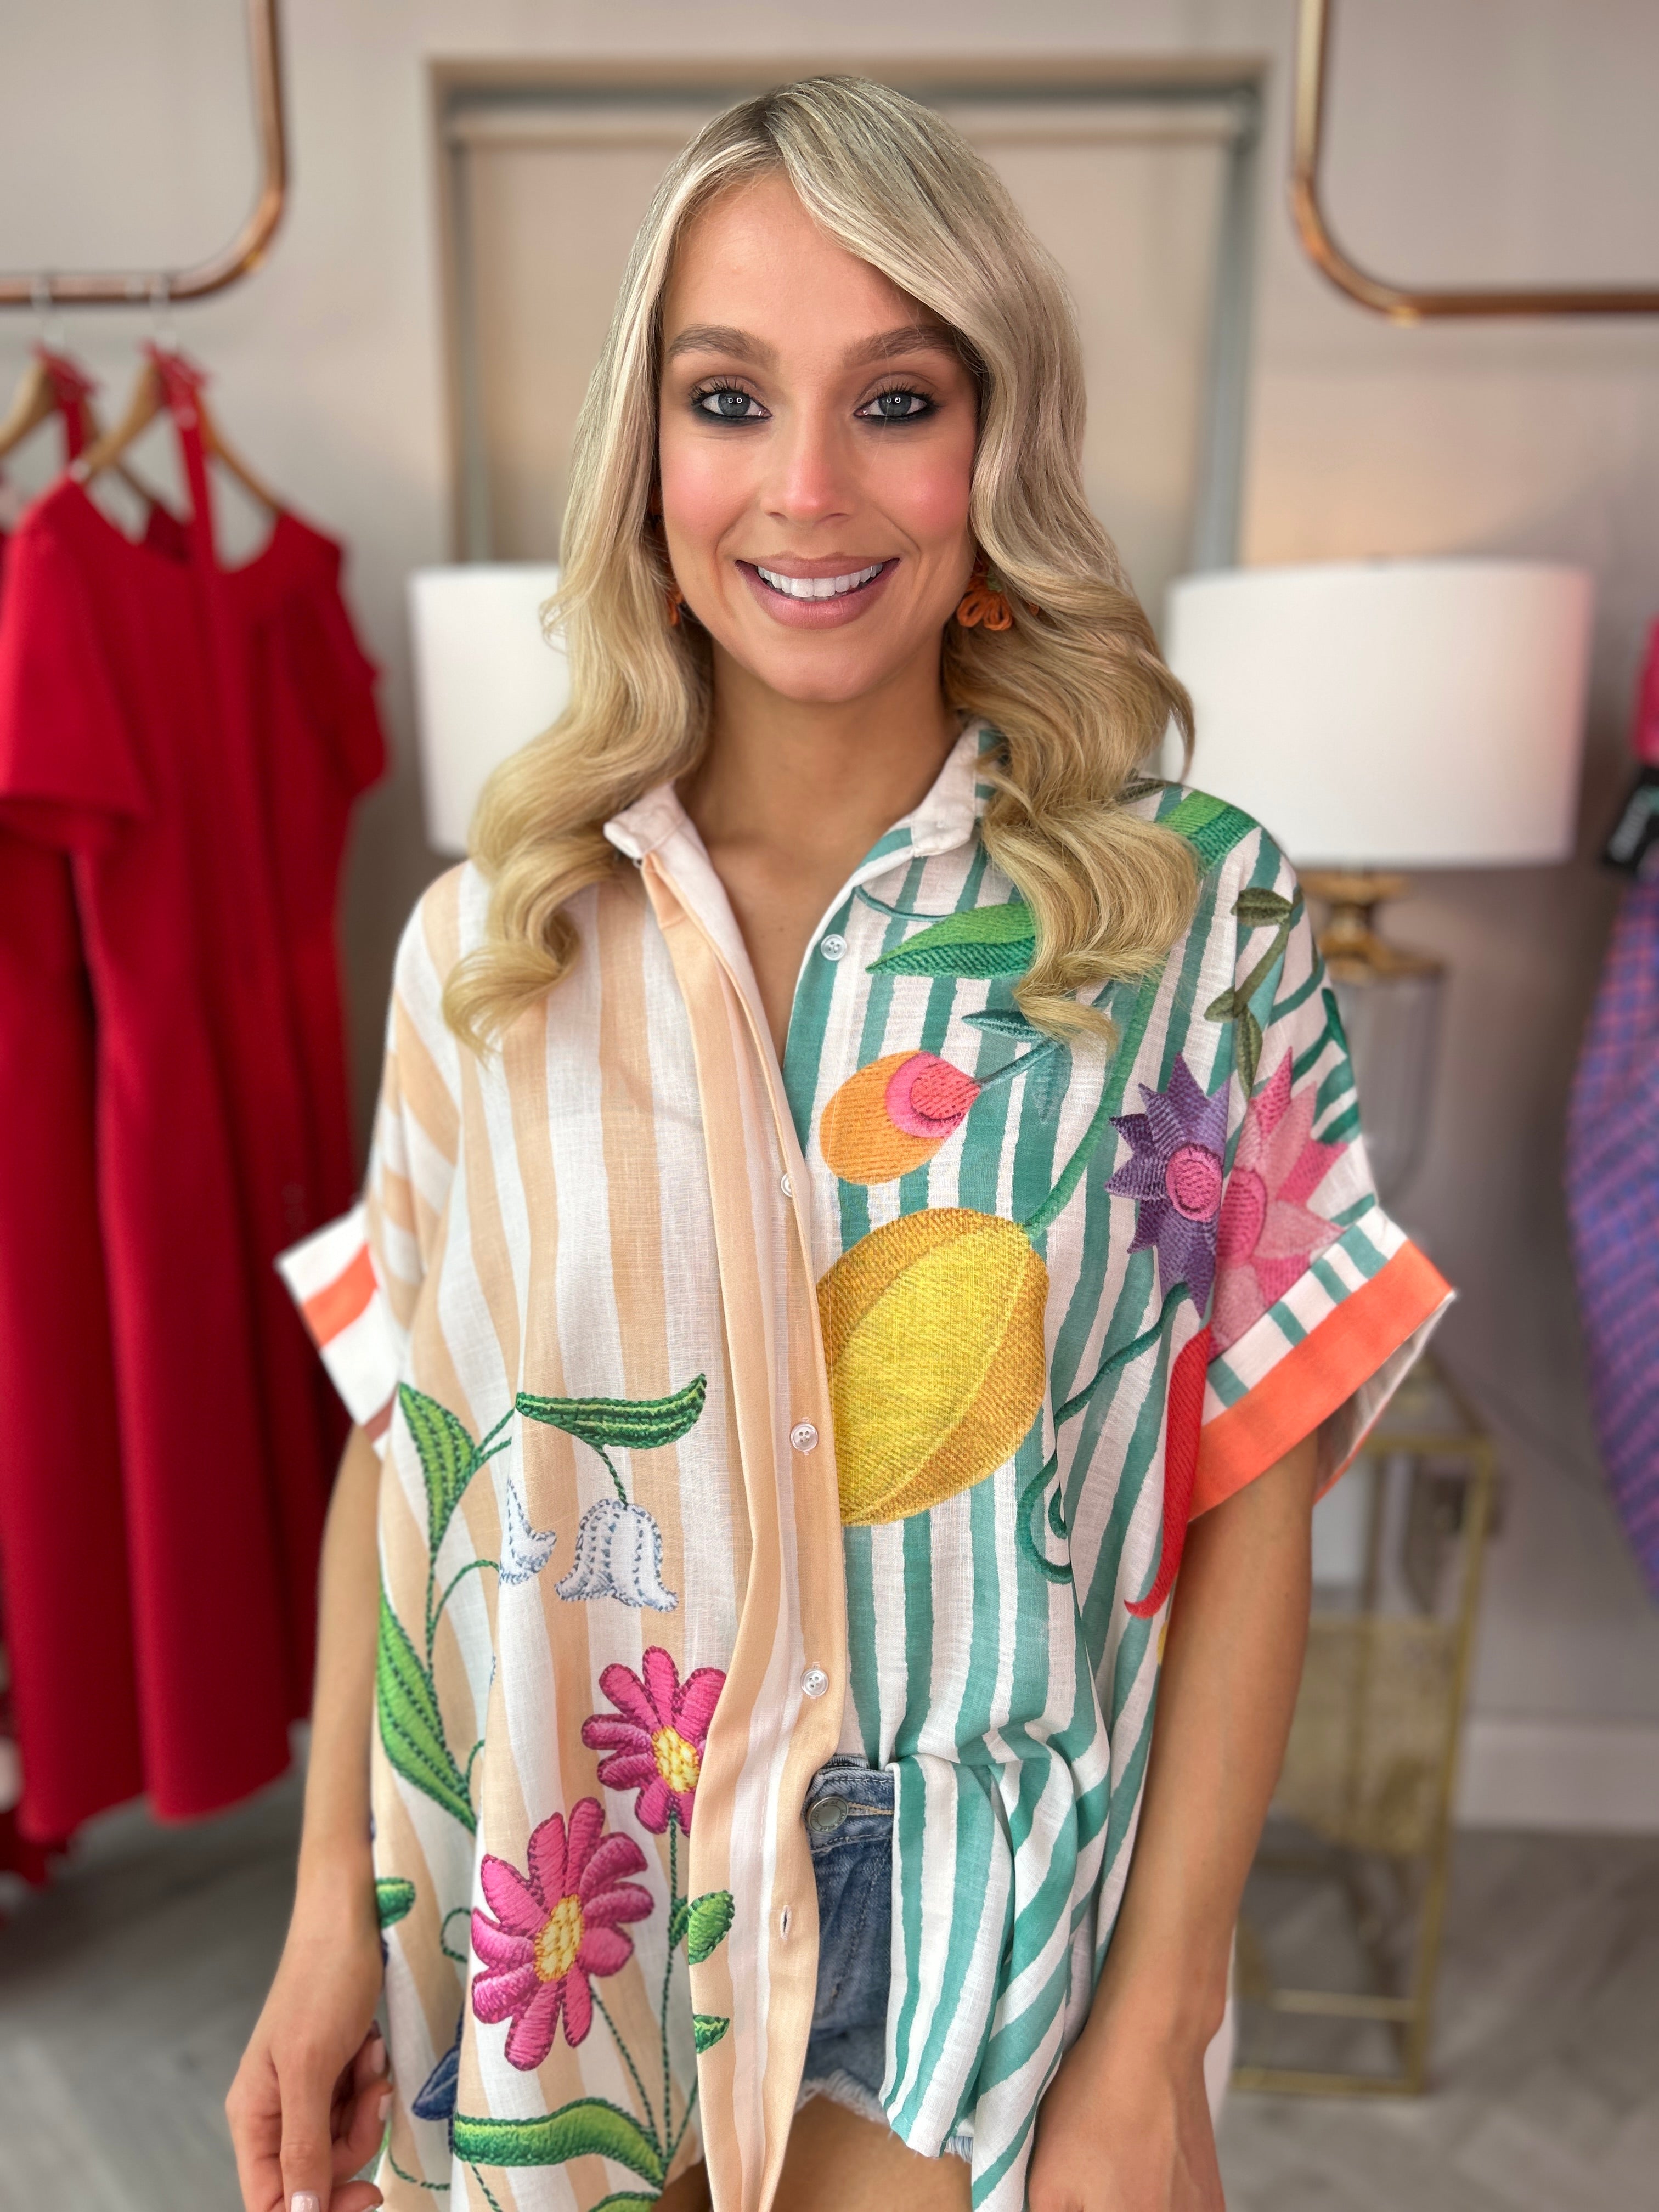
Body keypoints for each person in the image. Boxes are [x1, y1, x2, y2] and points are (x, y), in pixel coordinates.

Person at [228, 75, 1449, 2212]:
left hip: (994, 1920)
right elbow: (405, 1452)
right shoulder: (494, 945)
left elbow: (1256, 1463)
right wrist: (332, 1908)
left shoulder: (1180, 916)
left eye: (896, 400)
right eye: (730, 399)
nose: (806, 487)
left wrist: (1157, 2033)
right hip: (561, 1915)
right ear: (648, 455)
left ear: (995, 443)